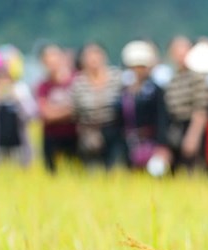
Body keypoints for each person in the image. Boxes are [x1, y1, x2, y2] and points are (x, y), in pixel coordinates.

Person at [70, 42, 124, 170]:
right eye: (88, 56)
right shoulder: (79, 83)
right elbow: (75, 111)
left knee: (116, 169)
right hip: (90, 133)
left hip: (114, 130)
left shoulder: (117, 78)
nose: (93, 59)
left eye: (96, 54)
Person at [120, 41, 170, 175]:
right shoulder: (124, 92)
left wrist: (162, 145)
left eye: (142, 66)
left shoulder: (155, 91)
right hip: (129, 143)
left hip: (151, 141)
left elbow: (162, 118)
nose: (138, 70)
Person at [164, 36, 208, 172]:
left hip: (191, 125)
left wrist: (193, 136)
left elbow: (200, 109)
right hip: (175, 126)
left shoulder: (197, 77)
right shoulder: (172, 77)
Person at [35, 43, 78, 173]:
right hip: (51, 136)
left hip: (75, 136)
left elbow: (79, 108)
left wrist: (55, 111)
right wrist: (68, 110)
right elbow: (45, 114)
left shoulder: (76, 80)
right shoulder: (43, 86)